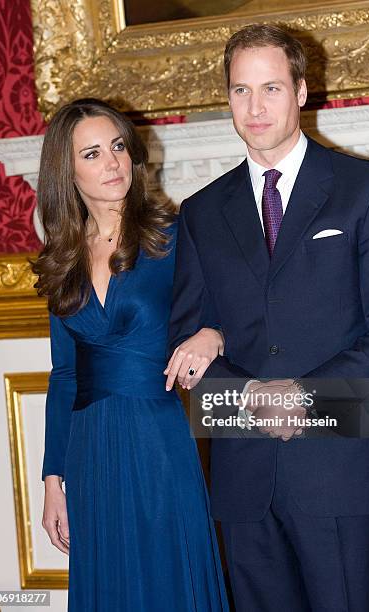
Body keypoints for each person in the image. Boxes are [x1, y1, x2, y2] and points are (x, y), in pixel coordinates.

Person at [168, 24, 369, 611]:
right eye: (240, 91)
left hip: (344, 468)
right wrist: (250, 390)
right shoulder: (202, 212)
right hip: (243, 473)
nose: (255, 108)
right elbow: (186, 338)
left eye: (272, 89)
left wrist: (305, 395)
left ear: (302, 92)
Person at [33, 98, 229, 611]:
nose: (113, 162)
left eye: (118, 147)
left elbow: (236, 309)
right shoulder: (61, 259)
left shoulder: (176, 235)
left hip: (158, 439)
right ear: (67, 171)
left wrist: (215, 333)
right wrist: (54, 480)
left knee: (169, 582)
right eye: (93, 154)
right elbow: (64, 375)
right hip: (90, 452)